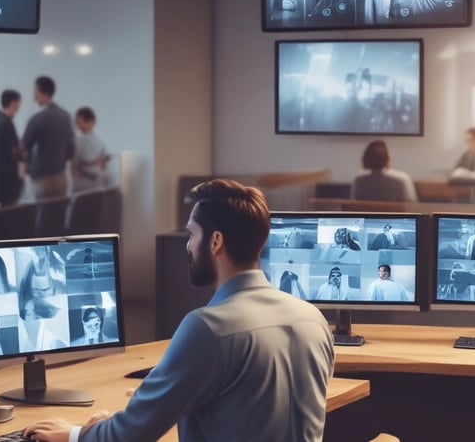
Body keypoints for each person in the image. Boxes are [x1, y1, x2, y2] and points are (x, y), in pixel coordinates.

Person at [20, 178, 334, 441]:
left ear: (215, 242)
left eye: (191, 234)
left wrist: (74, 435)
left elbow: (130, 436)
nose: (187, 245)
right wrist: (145, 410)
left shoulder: (208, 327)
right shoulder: (313, 319)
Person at [21, 75, 75, 200]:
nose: (33, 94)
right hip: (60, 176)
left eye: (35, 90)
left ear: (41, 92)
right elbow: (71, 147)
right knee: (58, 215)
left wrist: (26, 167)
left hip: (41, 177)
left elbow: (24, 146)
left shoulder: (37, 118)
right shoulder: (66, 116)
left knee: (41, 216)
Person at [352, 140, 418, 201]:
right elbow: (412, 205)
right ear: (387, 157)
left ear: (365, 158)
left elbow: (354, 207)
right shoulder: (403, 179)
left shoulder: (358, 180)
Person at [0, 89, 23, 205]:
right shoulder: (6, 123)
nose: (19, 107)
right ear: (13, 103)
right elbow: (13, 151)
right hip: (5, 178)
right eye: (19, 103)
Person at [72, 106, 109, 194]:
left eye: (82, 122)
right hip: (80, 181)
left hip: (96, 180)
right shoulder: (76, 139)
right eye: (77, 123)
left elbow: (103, 163)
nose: (79, 126)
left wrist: (100, 164)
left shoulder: (100, 140)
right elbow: (73, 163)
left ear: (91, 122)